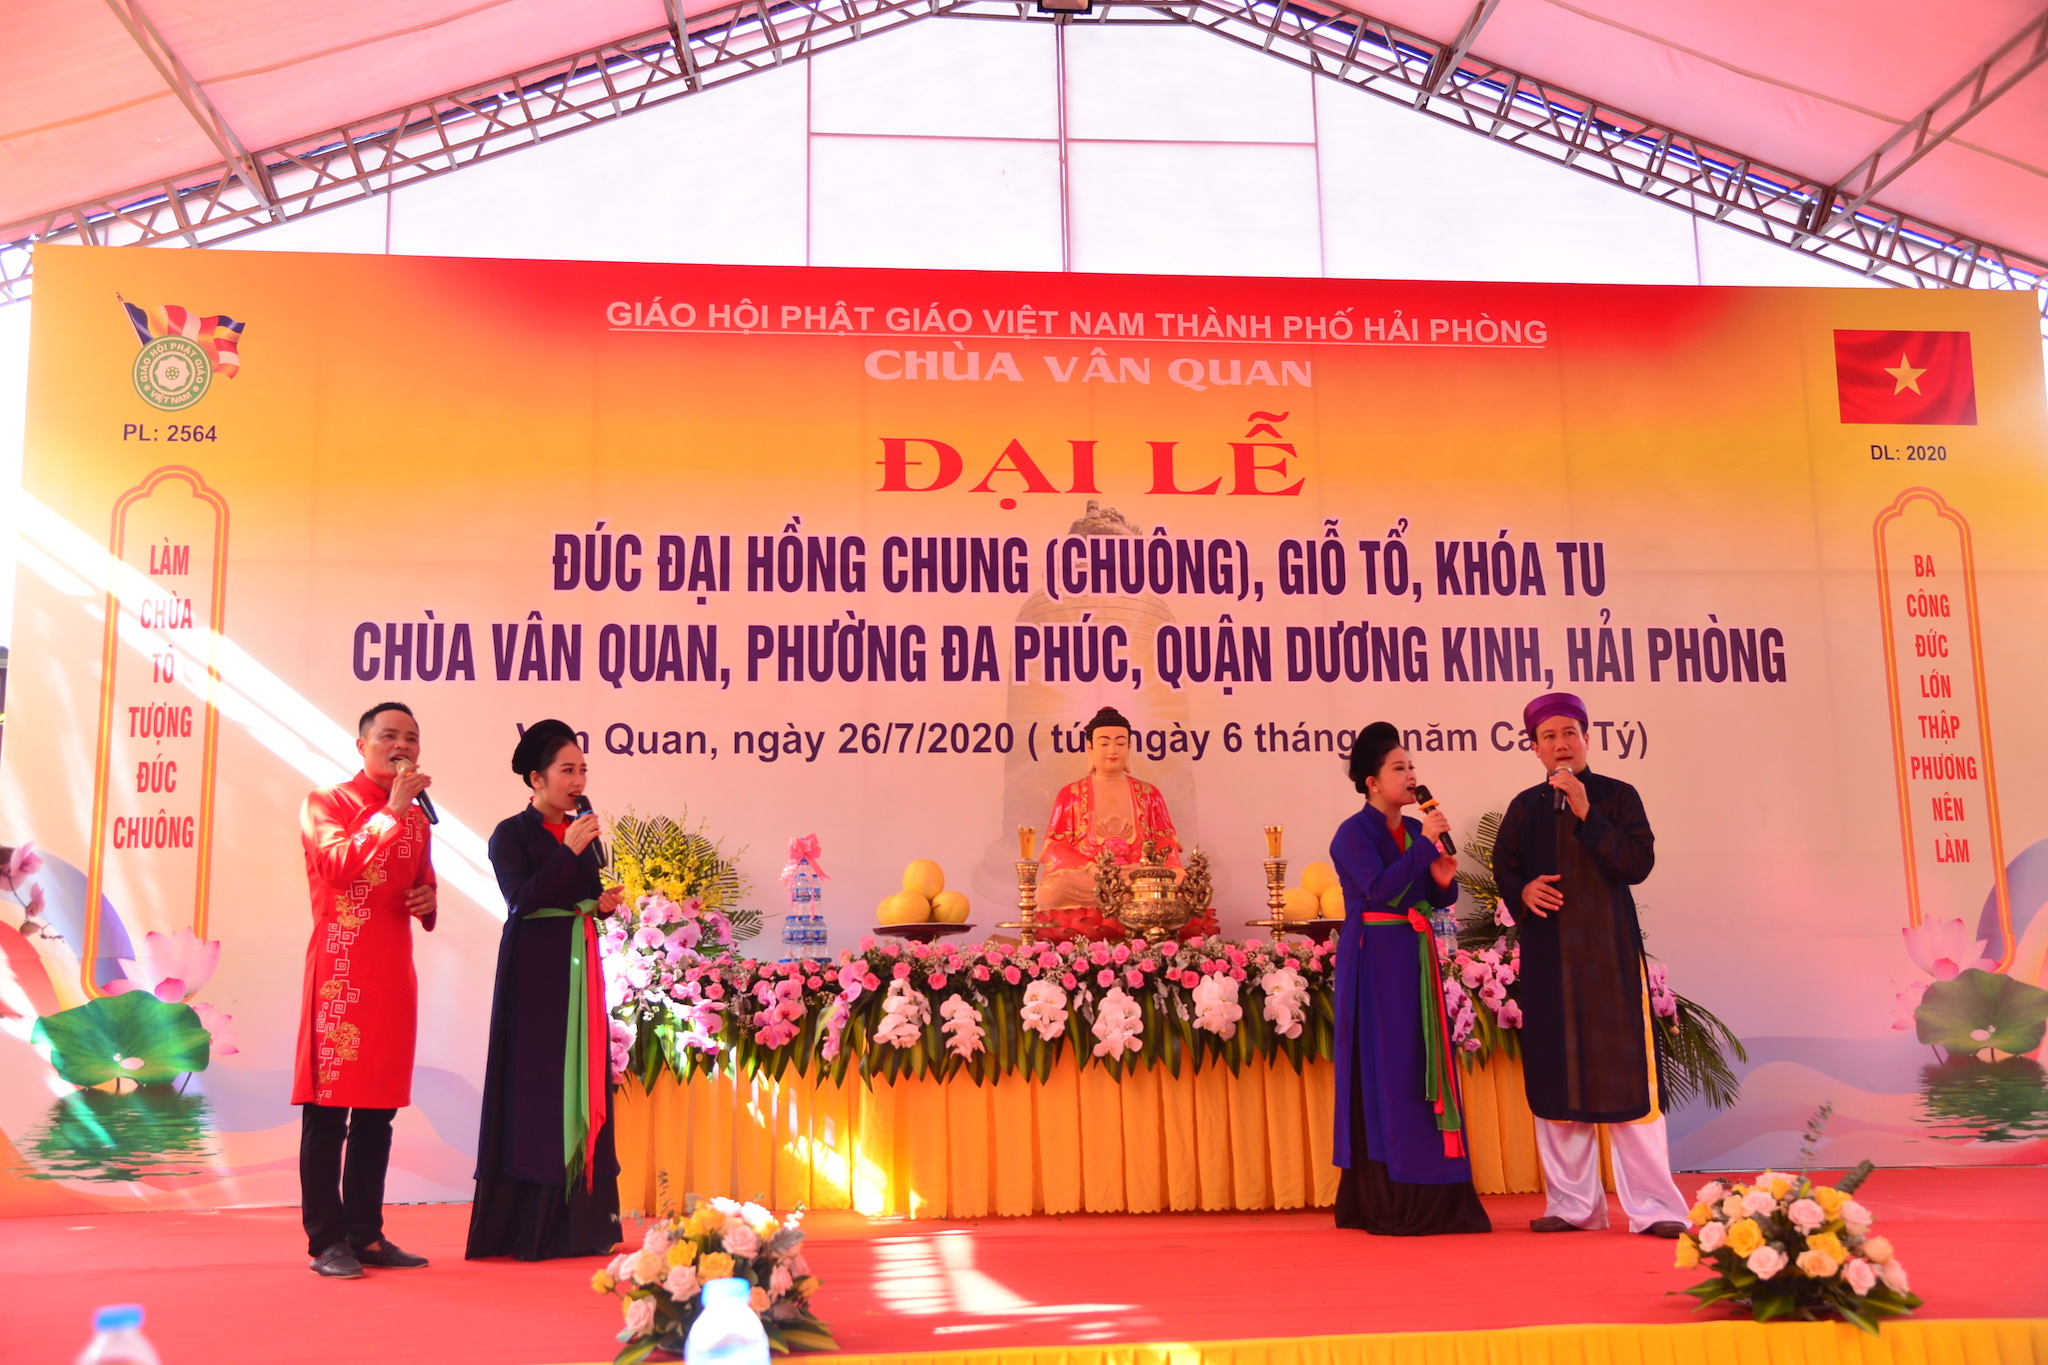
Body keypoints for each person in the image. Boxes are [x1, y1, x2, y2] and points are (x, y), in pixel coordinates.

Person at [1490, 692, 1690, 1238]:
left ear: (1586, 739)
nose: (1560, 744)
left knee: (1628, 1082)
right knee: (1558, 1078)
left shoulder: (1617, 796)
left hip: (1610, 959)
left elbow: (1637, 863)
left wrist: (1586, 812)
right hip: (1550, 962)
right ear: (1534, 748)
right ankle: (1574, 1206)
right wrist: (1521, 889)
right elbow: (1505, 867)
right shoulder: (1524, 808)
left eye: (1569, 734)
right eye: (1548, 736)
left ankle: (1657, 1208)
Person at [466, 719, 622, 1260]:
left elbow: (581, 893)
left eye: (582, 770)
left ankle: (584, 1226)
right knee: (537, 1088)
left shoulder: (582, 830)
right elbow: (521, 901)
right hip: (532, 974)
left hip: (578, 967)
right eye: (566, 770)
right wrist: (567, 853)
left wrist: (602, 904)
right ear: (536, 778)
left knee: (583, 1079)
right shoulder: (509, 834)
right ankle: (530, 1228)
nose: (578, 781)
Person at [293, 702, 438, 1278]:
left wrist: (427, 900)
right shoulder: (326, 802)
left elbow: (421, 883)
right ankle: (327, 1242)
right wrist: (390, 812)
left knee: (378, 1114)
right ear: (362, 745)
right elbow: (335, 867)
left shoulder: (420, 821)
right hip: (341, 975)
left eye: (411, 738)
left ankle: (366, 1234)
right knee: (328, 1115)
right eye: (389, 736)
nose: (402, 746)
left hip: (393, 974)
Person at [1329, 722, 1491, 1236]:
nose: (1411, 775)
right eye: (1399, 767)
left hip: (1414, 955)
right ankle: (1390, 1190)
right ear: (1373, 782)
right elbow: (1379, 889)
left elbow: (1427, 895)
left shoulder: (1418, 834)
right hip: (1374, 960)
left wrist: (1443, 882)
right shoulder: (1353, 833)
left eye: (1411, 765)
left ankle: (1435, 1184)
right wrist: (1424, 850)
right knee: (1391, 1065)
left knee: (1424, 1062)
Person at [1038, 707, 1183, 914]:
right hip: (1090, 879)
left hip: (1140, 878)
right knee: (1051, 890)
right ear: (1090, 747)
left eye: (1121, 743)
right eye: (1104, 743)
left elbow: (1166, 842)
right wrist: (1091, 868)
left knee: (1181, 883)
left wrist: (1144, 868)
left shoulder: (1149, 793)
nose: (1113, 750)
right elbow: (1055, 846)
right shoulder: (1071, 794)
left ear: (1130, 746)